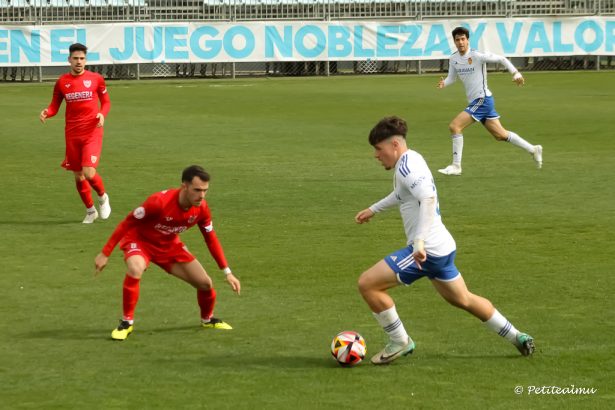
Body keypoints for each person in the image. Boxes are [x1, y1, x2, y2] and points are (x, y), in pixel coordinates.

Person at [355, 116, 534, 365]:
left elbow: (427, 198)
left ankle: (399, 341)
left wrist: (418, 242)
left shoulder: (408, 167)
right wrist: (373, 209)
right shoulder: (411, 158)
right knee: (463, 299)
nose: (376, 155)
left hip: (426, 250)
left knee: (368, 284)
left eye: (378, 149)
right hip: (443, 247)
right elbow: (402, 194)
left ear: (394, 145)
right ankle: (518, 336)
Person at [94, 165, 241, 341]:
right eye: (197, 190)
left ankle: (207, 319)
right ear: (184, 186)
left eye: (205, 191)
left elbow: (211, 239)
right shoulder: (158, 203)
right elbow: (127, 223)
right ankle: (127, 323)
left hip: (169, 246)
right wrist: (105, 253)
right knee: (135, 268)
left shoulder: (201, 209)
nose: (201, 195)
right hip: (140, 242)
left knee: (205, 284)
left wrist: (227, 272)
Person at [437, 26, 542, 176]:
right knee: (500, 135)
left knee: (455, 126)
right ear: (454, 41)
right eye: (457, 40)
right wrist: (444, 83)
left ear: (467, 40)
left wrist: (516, 73)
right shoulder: (453, 59)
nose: (460, 42)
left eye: (463, 39)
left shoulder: (478, 55)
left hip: (482, 99)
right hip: (478, 101)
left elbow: (502, 59)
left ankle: (456, 166)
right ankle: (533, 149)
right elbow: (452, 78)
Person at [40, 43, 111, 223]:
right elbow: (55, 105)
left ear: (85, 60)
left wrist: (102, 114)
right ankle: (90, 211)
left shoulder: (96, 79)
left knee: (88, 172)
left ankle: (103, 197)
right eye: (75, 58)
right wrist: (47, 112)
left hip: (92, 132)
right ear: (69, 60)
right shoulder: (62, 82)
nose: (79, 62)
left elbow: (106, 102)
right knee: (78, 174)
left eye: (82, 58)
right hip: (72, 133)